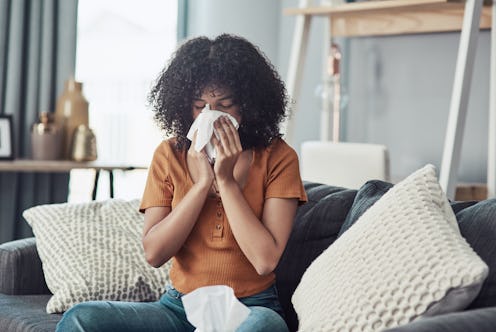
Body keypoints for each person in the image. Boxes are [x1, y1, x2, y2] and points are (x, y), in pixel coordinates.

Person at [56, 34, 307, 332]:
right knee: (81, 317)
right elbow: (155, 253)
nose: (211, 116)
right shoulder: (168, 155)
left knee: (265, 325)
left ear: (249, 107)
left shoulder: (279, 157)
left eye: (225, 105)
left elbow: (265, 261)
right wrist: (201, 185)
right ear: (184, 107)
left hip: (251, 310)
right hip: (180, 308)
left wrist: (225, 182)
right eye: (200, 106)